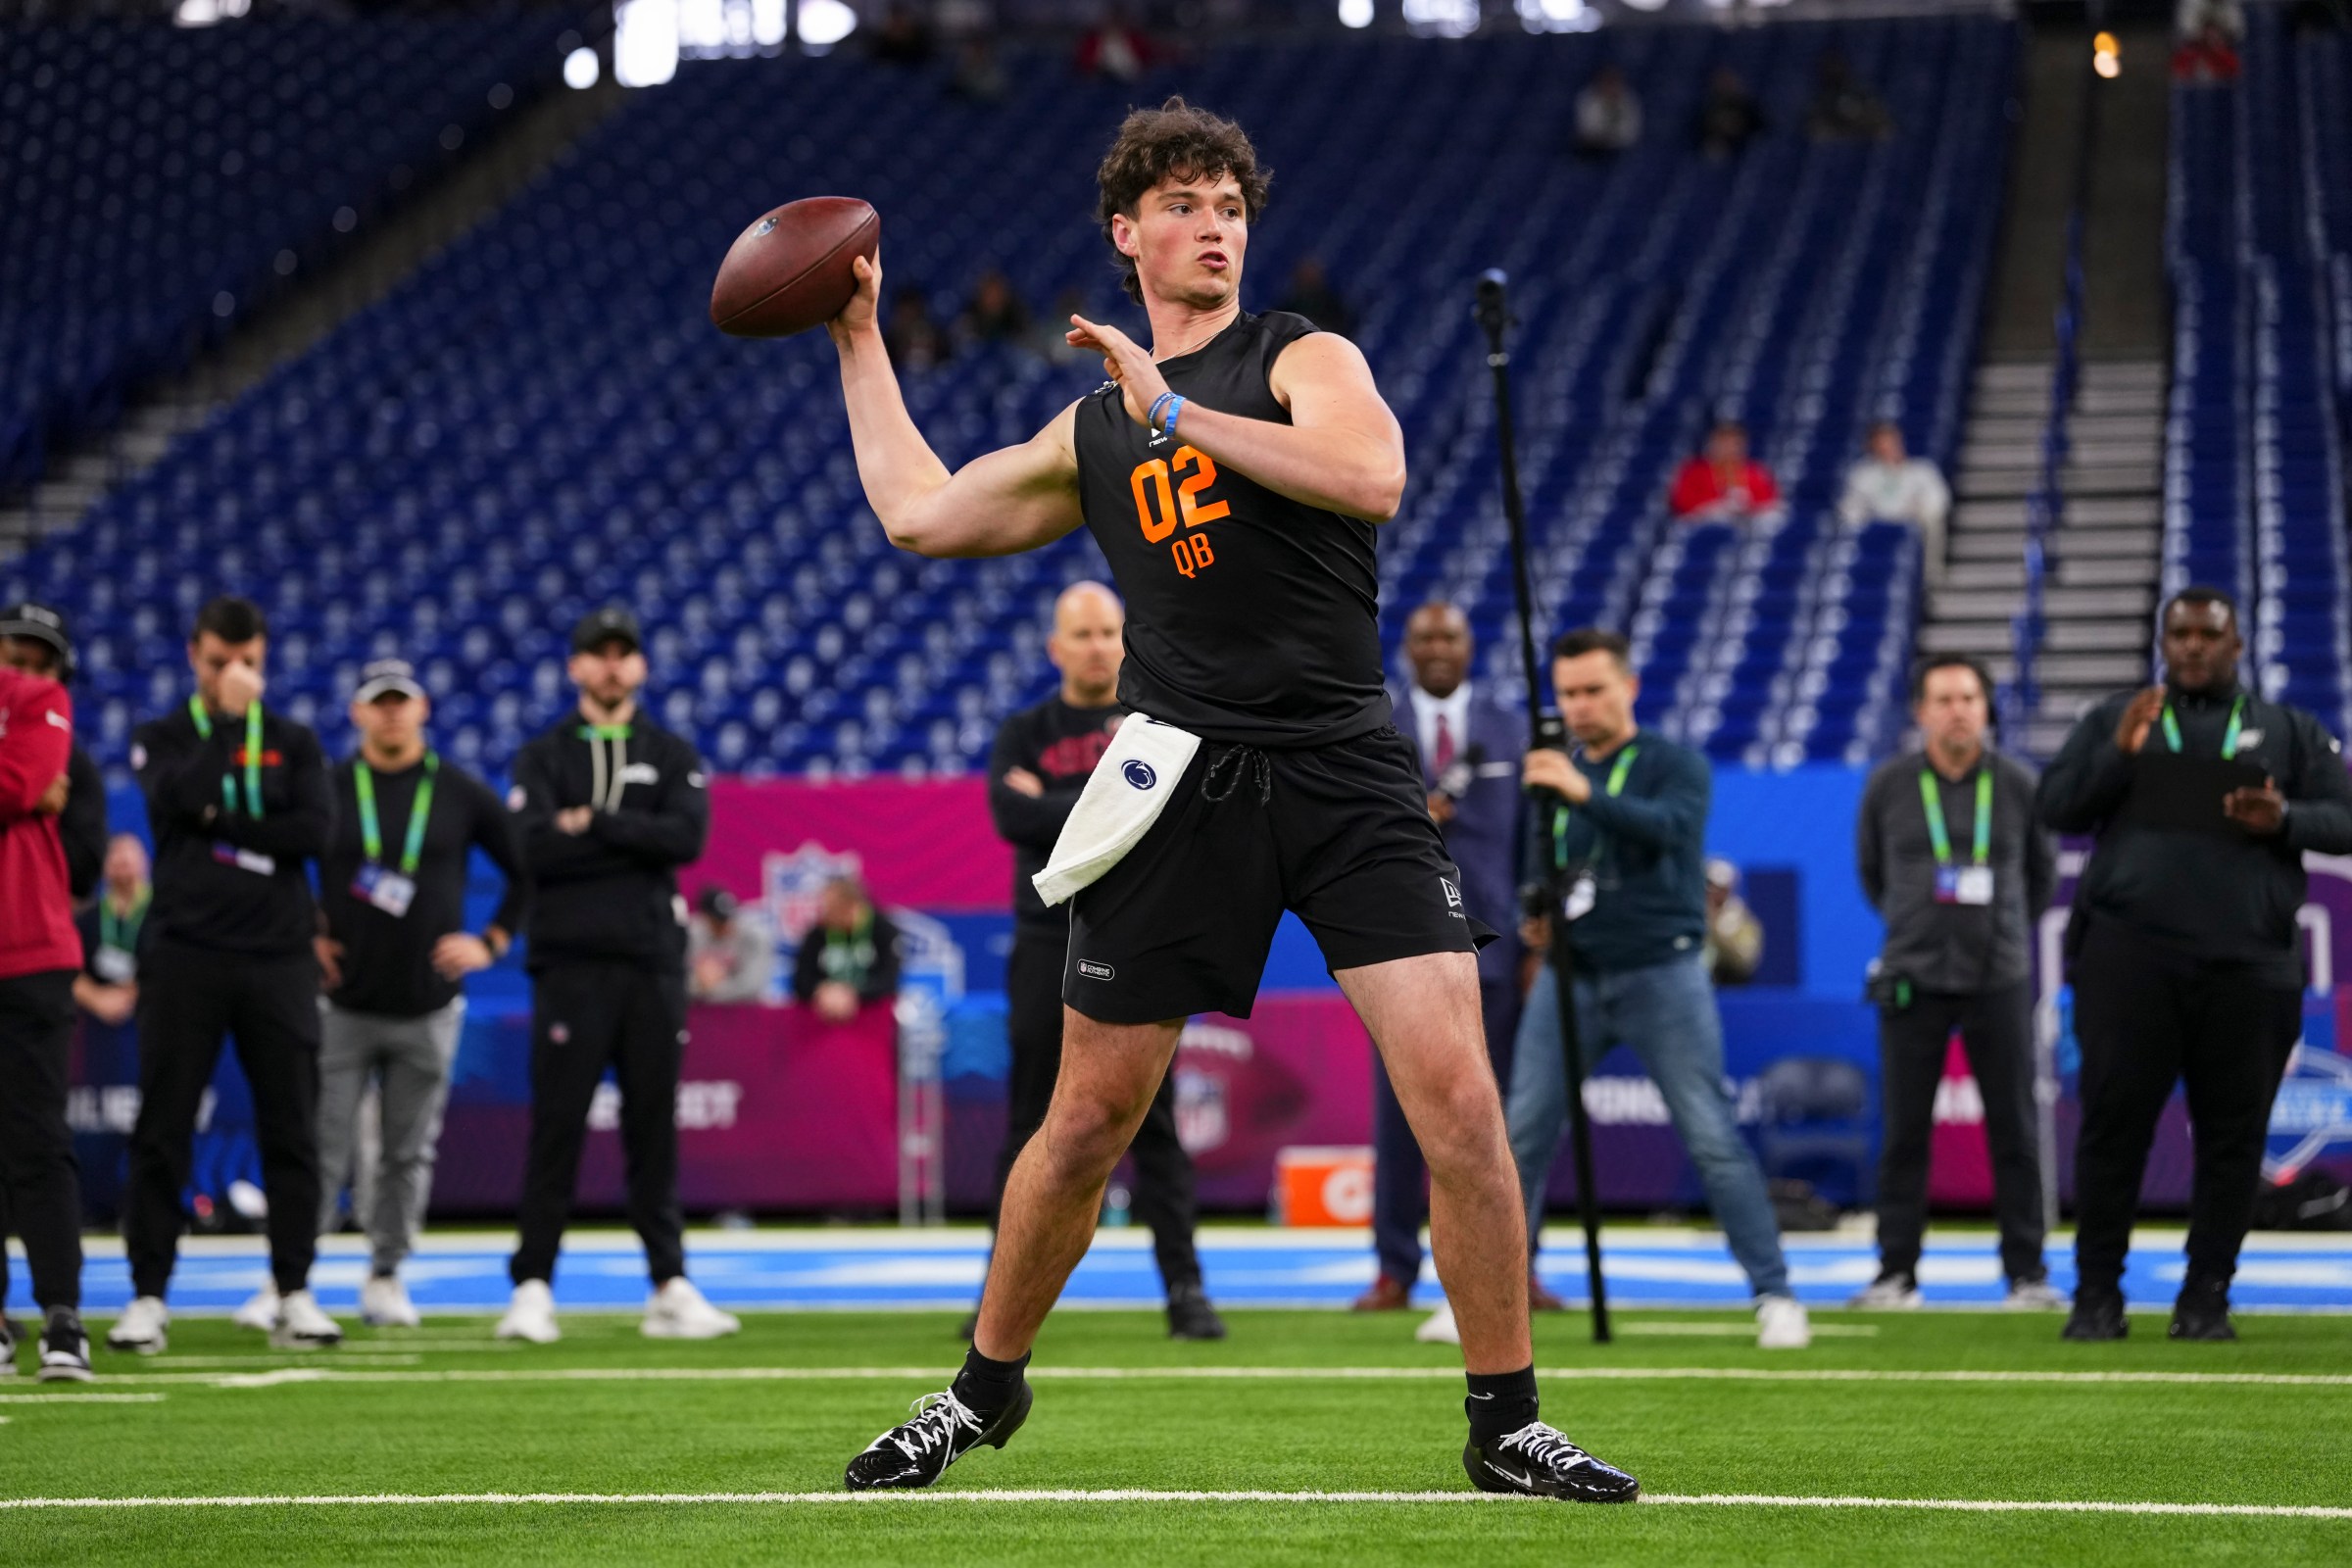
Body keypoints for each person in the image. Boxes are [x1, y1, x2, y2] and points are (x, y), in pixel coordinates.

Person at [820, 97, 1638, 1500]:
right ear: (1127, 235)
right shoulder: (1094, 425)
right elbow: (922, 514)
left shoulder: (1300, 356)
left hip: (1347, 766)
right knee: (1084, 1126)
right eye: (1186, 207)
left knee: (1459, 1100)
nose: (1215, 228)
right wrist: (853, 339)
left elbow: (1371, 475)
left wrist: (1181, 410)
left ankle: (1506, 1421)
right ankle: (978, 1393)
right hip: (1177, 776)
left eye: (1232, 207)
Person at [2038, 588, 2352, 1341]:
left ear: (2236, 646)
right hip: (2128, 962)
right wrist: (2118, 755)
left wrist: (2286, 820)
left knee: (2233, 1138)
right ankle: (2096, 1298)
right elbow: (2055, 808)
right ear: (2162, 641)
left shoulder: (2287, 731)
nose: (2192, 647)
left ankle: (2207, 1296)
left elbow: (2345, 822)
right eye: (2178, 633)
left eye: (2208, 635)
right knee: (2113, 1129)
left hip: (2250, 968)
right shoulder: (2123, 720)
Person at [1507, 629, 1809, 1351]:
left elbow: (1667, 833)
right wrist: (1534, 910)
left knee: (1711, 1135)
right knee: (1519, 1137)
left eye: (1593, 690)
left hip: (1663, 972)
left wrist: (1582, 791)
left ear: (1628, 686)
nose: (1578, 707)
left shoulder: (1674, 765)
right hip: (1570, 975)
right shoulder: (1553, 773)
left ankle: (1775, 1293)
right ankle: (1493, 1295)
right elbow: (1536, 864)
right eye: (1568, 693)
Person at [980, 581, 1223, 1342]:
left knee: (1151, 1126)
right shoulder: (1024, 728)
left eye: (1106, 631)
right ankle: (1000, 1292)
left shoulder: (1158, 722)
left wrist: (1058, 802)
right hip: (1044, 940)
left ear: (1128, 637)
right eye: (1079, 634)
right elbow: (1008, 817)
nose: (1094, 645)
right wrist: (1114, 802)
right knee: (1027, 1123)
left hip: (1134, 939)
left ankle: (1184, 1288)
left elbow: (1168, 816)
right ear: (1055, 647)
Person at [496, 607, 737, 1345]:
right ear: (575, 667)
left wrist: (591, 823)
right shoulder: (543, 756)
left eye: (622, 655)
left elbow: (686, 838)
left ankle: (668, 1283)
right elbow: (532, 849)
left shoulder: (668, 750)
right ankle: (533, 1285)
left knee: (651, 1126)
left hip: (651, 966)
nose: (610, 666)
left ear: (639, 667)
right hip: (570, 963)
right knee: (558, 1125)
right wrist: (630, 836)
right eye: (596, 655)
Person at [109, 597, 342, 1354]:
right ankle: (148, 1295)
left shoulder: (296, 739)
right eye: (219, 663)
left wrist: (218, 822)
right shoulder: (164, 734)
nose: (234, 675)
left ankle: (295, 1289)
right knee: (163, 1127)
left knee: (292, 1127)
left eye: (246, 662)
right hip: (185, 954)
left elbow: (313, 833)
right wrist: (231, 732)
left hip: (278, 957)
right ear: (194, 656)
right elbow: (173, 801)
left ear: (263, 657)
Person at [307, 660, 524, 1331]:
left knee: (407, 1151)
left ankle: (385, 1274)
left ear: (422, 708)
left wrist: (489, 943)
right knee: (321, 1144)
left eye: (402, 702)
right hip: (343, 1001)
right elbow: (283, 864)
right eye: (380, 702)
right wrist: (307, 932)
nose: (392, 712)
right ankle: (292, 1279)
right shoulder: (330, 787)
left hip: (428, 1005)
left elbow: (526, 871)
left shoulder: (458, 791)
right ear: (359, 713)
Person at [1854, 655, 2061, 1310]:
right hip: (1911, 976)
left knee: (2015, 1130)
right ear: (1920, 712)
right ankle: (1896, 1273)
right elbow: (1872, 875)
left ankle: (2027, 1275)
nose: (1957, 710)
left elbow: (2040, 877)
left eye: (1969, 697)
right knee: (1904, 1131)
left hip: (1996, 976)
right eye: (1943, 699)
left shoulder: (2019, 784)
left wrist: (1997, 934)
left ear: (1986, 708)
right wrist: (1915, 927)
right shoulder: (1887, 785)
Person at [1356, 603, 1530, 1320]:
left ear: (1469, 644)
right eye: (1424, 636)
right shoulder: (1371, 720)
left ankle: (1521, 1268)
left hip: (1496, 945)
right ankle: (1395, 1268)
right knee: (1399, 1121)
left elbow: (1529, 836)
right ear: (1407, 646)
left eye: (1449, 636)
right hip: (1398, 944)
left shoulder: (1511, 727)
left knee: (1505, 1120)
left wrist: (1532, 934)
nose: (1436, 648)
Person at [0, 658, 91, 1380]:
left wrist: (29, 788)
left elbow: (22, 781)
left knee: (37, 1138)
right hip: (30, 948)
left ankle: (62, 1315)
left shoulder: (38, 696)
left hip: (30, 952)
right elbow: (21, 786)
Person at [1, 602, 105, 899]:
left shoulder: (77, 768)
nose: (29, 679)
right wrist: (27, 797)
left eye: (43, 667)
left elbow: (84, 874)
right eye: (18, 663)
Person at [1838, 421, 1953, 584]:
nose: (1888, 448)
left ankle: (1931, 577)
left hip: (1914, 523)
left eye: (1891, 442)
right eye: (1881, 443)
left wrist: (1918, 510)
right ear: (1872, 446)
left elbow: (1939, 500)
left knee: (1932, 522)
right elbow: (1850, 507)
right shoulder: (1862, 474)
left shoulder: (1922, 470)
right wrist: (1868, 519)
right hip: (1876, 526)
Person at [790, 875, 903, 1020]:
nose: (825, 913)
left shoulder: (884, 931)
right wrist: (821, 990)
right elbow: (800, 980)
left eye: (831, 908)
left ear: (852, 906)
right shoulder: (817, 934)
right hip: (824, 1019)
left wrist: (853, 993)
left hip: (872, 1019)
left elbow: (889, 980)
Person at [1669, 420, 1782, 523]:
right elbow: (1682, 502)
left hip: (1747, 525)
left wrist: (1745, 505)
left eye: (1734, 443)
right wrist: (1716, 507)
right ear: (1712, 443)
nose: (1729, 448)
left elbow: (1768, 502)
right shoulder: (1693, 471)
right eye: (1723, 442)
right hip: (1703, 526)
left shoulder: (1755, 472)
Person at [688, 887, 774, 1004]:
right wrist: (698, 983)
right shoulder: (691, 934)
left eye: (729, 918)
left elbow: (751, 986)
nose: (726, 925)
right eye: (719, 921)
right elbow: (676, 981)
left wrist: (709, 989)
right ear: (705, 917)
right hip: (699, 1016)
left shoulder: (753, 936)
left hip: (744, 1015)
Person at [1701, 858, 1764, 988]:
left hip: (1729, 985)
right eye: (1709, 885)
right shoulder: (1691, 916)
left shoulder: (1742, 919)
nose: (1713, 891)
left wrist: (1716, 930)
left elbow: (1745, 961)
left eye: (1720, 887)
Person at [1805, 52, 1893, 142]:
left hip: (1861, 136)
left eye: (1837, 68)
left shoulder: (1861, 93)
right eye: (1830, 69)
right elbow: (1816, 128)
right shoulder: (1822, 99)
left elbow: (1884, 127)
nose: (1835, 72)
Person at [1572, 64, 1642, 158]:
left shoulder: (1629, 101)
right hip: (1593, 150)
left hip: (1622, 151)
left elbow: (1631, 132)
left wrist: (1610, 138)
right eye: (1607, 82)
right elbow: (1587, 130)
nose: (1610, 87)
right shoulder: (1588, 99)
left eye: (1613, 83)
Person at [1274, 258, 1354, 338]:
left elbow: (1341, 329)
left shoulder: (1332, 306)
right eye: (1303, 275)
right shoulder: (1288, 307)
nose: (1307, 279)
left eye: (1310, 275)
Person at [1695, 66, 1764, 161]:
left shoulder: (1748, 108)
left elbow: (1760, 132)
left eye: (1728, 82)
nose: (1725, 86)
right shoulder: (1709, 109)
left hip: (1741, 150)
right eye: (1721, 83)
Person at [956, 270, 1032, 350]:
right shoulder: (969, 318)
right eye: (989, 293)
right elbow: (964, 347)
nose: (994, 298)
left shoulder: (1017, 315)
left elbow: (1026, 342)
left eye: (997, 293)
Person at [884, 286, 953, 371]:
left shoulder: (938, 342)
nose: (908, 320)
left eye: (912, 315)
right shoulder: (886, 348)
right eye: (904, 315)